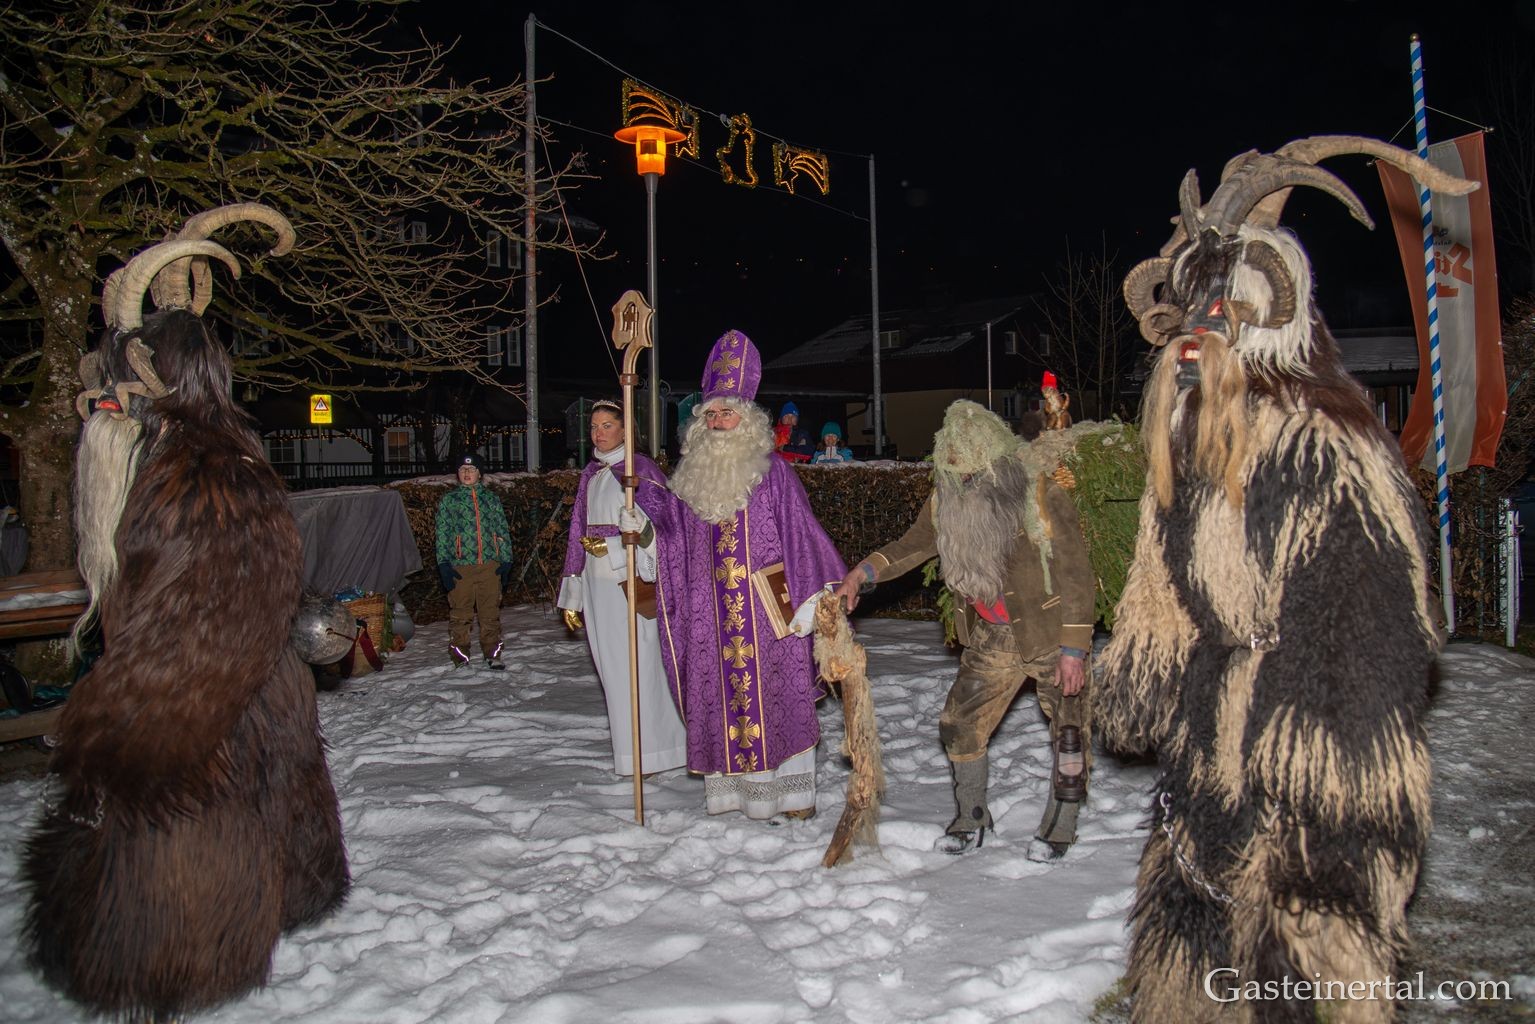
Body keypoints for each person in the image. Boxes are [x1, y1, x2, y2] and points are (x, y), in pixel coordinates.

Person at [833, 401, 1095, 859]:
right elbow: (911, 547)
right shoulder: (946, 499)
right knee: (959, 725)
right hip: (992, 636)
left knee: (1070, 731)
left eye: (973, 471)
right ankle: (971, 818)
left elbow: (1076, 574)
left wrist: (1074, 648)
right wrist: (862, 573)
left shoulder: (1039, 493)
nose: (965, 480)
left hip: (1049, 633)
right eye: (956, 472)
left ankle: (1062, 825)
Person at [622, 329, 848, 821]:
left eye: (727, 413)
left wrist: (811, 597)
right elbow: (676, 538)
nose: (718, 422)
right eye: (711, 415)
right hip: (711, 613)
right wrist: (644, 522)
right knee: (721, 699)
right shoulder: (691, 478)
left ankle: (792, 797)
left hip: (770, 609)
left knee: (778, 698)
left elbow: (803, 534)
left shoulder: (773, 473)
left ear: (747, 419)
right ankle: (735, 796)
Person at [555, 400, 688, 777]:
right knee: (614, 673)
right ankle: (631, 754)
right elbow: (577, 533)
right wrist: (572, 592)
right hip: (597, 587)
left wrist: (613, 547)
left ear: (626, 429)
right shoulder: (593, 474)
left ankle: (661, 751)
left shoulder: (640, 470)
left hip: (632, 583)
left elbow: (666, 533)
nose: (598, 433)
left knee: (641, 669)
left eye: (607, 425)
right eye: (594, 426)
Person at [435, 452, 513, 669]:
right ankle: (460, 655)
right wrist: (444, 564)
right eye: (462, 469)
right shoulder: (450, 500)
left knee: (490, 612)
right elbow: (442, 534)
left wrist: (506, 560)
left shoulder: (491, 499)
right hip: (461, 566)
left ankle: (492, 653)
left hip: (489, 565)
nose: (467, 473)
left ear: (480, 474)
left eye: (472, 469)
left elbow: (502, 530)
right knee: (460, 613)